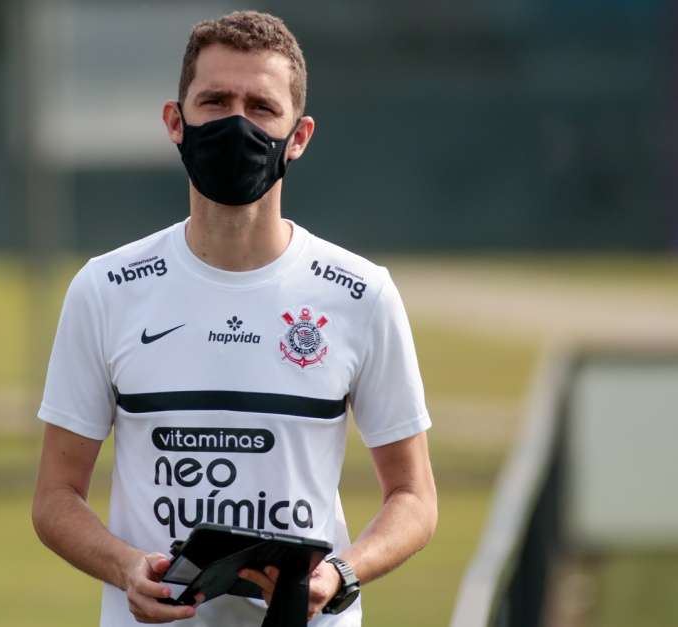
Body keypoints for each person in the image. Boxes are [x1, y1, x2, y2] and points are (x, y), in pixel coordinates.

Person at [32, 10, 437, 626]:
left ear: (297, 136)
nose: (236, 122)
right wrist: (123, 567)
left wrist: (341, 574)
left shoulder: (362, 293)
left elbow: (414, 497)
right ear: (176, 121)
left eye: (260, 106)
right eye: (215, 101)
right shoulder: (105, 288)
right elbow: (55, 497)